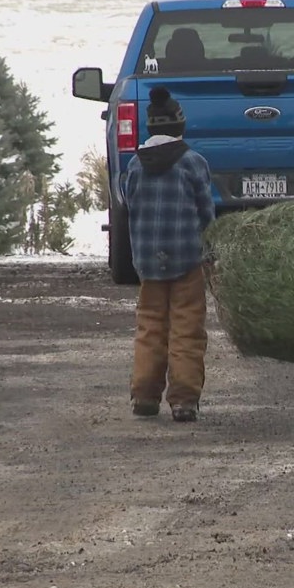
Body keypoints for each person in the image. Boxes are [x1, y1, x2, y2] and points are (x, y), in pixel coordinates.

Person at [121, 86, 215, 422]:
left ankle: (145, 395)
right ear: (180, 126)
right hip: (187, 258)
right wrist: (211, 250)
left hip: (147, 261)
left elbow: (129, 207)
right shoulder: (193, 163)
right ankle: (184, 399)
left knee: (150, 326)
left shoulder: (134, 165)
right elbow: (206, 213)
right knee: (186, 327)